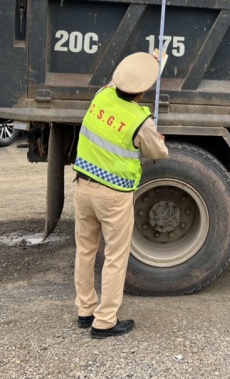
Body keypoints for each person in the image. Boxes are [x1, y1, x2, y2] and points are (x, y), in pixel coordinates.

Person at [72, 52, 169, 339]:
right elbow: (158, 153)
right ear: (144, 90)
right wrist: (158, 141)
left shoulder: (101, 96)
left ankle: (85, 310)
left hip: (83, 187)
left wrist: (144, 65)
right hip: (113, 196)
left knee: (85, 250)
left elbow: (115, 83)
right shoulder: (141, 121)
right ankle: (104, 321)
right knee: (115, 256)